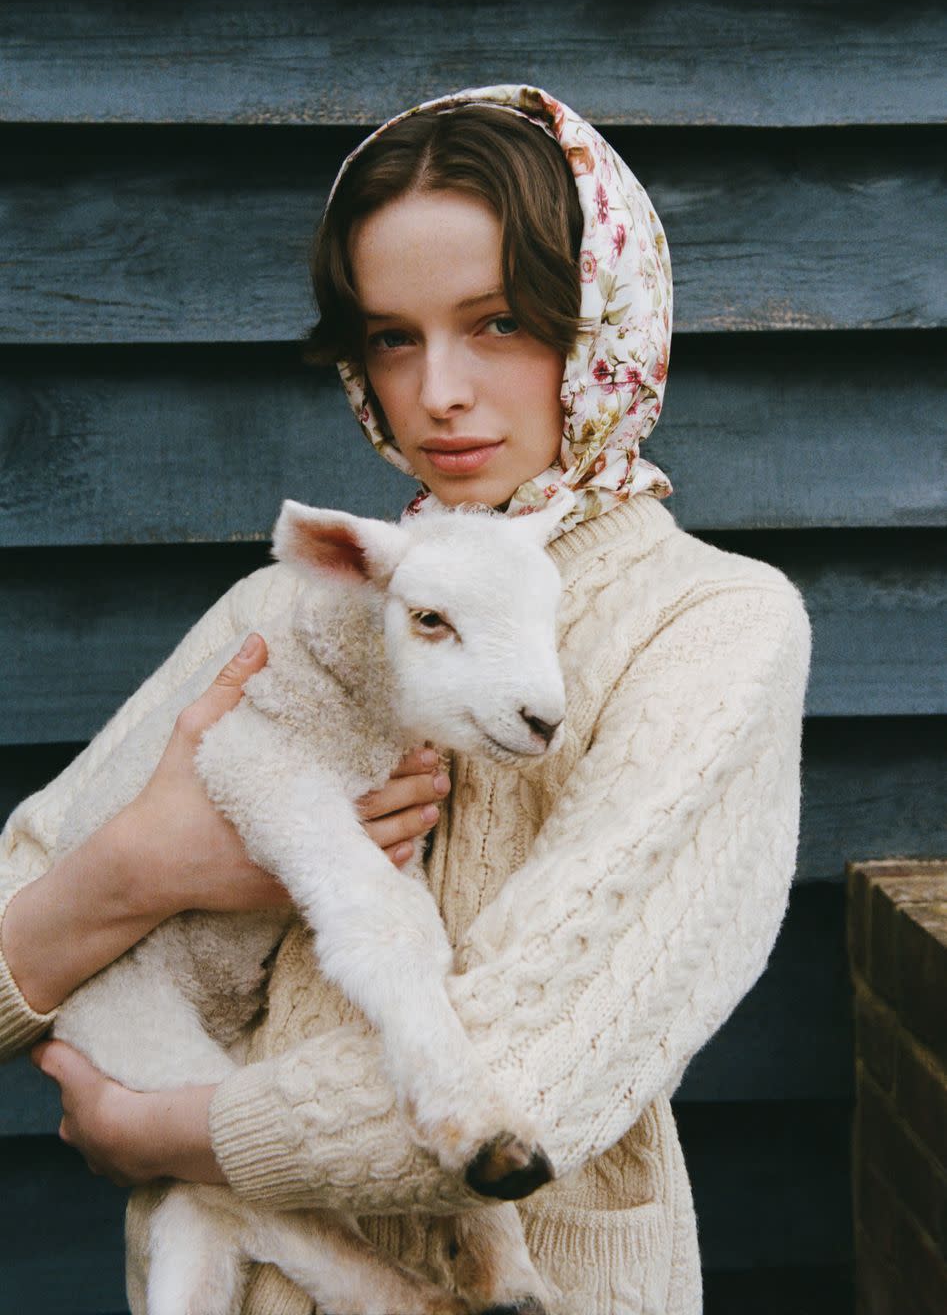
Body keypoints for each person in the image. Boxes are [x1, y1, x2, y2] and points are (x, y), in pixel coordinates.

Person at [0, 85, 811, 1314]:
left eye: (496, 324)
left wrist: (158, 1130)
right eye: (389, 336)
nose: (436, 390)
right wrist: (145, 867)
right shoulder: (299, 609)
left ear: (605, 321)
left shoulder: (707, 626)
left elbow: (524, 1086)